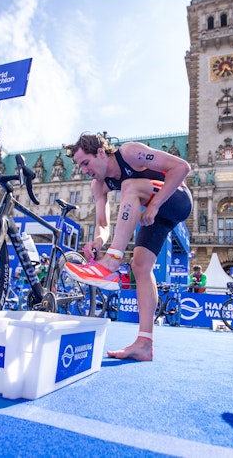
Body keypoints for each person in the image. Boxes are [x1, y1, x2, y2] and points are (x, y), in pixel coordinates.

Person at [63, 133, 192, 361]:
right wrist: (98, 241)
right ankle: (144, 343)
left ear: (101, 152)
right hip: (157, 215)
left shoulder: (130, 152)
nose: (84, 170)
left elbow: (182, 167)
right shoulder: (98, 185)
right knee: (140, 266)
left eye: (86, 163)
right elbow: (103, 225)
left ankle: (112, 261)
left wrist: (155, 205)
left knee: (129, 185)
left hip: (176, 198)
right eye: (80, 166)